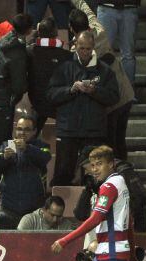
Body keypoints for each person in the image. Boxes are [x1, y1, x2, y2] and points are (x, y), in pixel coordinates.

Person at [47, 31, 119, 186]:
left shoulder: (105, 71)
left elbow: (114, 97)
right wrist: (71, 90)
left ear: (93, 47)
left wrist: (95, 91)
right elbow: (51, 95)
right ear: (75, 46)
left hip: (94, 131)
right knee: (63, 172)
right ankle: (58, 207)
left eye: (88, 48)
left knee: (94, 176)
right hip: (68, 131)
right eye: (81, 48)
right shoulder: (64, 68)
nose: (85, 52)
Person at [69, 0, 135, 160]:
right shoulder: (100, 31)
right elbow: (88, 11)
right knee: (121, 142)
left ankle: (115, 177)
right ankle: (123, 176)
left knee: (111, 146)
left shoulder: (77, 52)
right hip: (126, 95)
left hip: (109, 103)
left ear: (71, 28)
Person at [0, 115, 52, 229]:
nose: (22, 132)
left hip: (33, 209)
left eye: (27, 130)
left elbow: (45, 158)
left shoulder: (41, 146)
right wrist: (4, 158)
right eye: (19, 129)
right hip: (8, 207)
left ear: (34, 131)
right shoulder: (6, 145)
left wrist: (27, 148)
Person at [0, 13, 33, 139]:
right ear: (29, 30)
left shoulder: (4, 40)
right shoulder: (16, 52)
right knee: (6, 136)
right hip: (5, 98)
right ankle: (6, 158)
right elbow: (19, 85)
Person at [25, 17, 72, 135]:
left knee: (28, 132)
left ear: (39, 32)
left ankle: (20, 151)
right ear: (56, 33)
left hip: (37, 102)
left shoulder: (30, 52)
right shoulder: (67, 56)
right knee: (66, 135)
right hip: (58, 102)